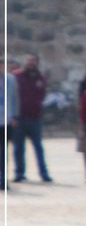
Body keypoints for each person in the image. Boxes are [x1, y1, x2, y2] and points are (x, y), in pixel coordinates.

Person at [12, 54, 53, 183]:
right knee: (19, 148)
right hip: (20, 118)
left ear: (37, 63)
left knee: (38, 147)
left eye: (33, 61)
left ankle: (43, 173)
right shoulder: (16, 76)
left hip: (35, 118)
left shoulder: (41, 78)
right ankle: (19, 173)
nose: (31, 63)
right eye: (29, 61)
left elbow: (42, 94)